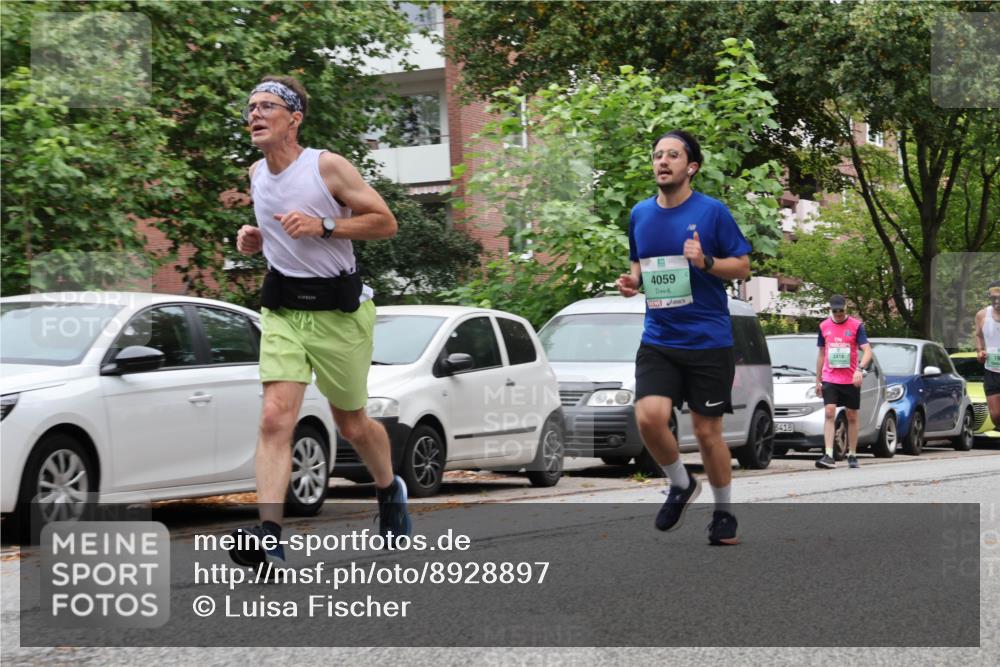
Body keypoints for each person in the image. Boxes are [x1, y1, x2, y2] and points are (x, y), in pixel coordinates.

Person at [230, 75, 410, 566]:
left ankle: (388, 487)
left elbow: (385, 222)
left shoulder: (326, 166)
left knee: (351, 424)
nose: (256, 114)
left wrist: (326, 224)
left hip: (339, 315)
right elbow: (279, 236)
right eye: (251, 107)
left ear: (294, 118)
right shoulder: (256, 175)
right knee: (274, 418)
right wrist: (254, 239)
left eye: (268, 106)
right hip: (284, 310)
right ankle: (268, 536)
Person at [616, 130, 751, 546]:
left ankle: (724, 512)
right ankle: (680, 483)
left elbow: (742, 267)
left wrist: (706, 261)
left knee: (708, 433)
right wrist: (633, 281)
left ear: (690, 167)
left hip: (708, 340)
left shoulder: (712, 213)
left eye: (672, 155)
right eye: (657, 155)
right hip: (659, 337)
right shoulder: (640, 213)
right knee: (648, 417)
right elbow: (641, 260)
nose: (662, 161)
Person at [814, 295, 873, 470]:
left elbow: (868, 351)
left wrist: (859, 369)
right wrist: (818, 379)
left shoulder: (856, 326)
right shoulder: (824, 326)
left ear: (846, 308)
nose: (839, 314)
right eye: (835, 311)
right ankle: (829, 454)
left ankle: (852, 454)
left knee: (851, 415)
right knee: (829, 412)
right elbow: (821, 354)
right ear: (830, 310)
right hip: (830, 377)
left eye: (841, 310)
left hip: (850, 378)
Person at [974, 280, 1000, 428]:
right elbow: (978, 335)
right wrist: (980, 351)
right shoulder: (982, 315)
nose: (997, 301)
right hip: (992, 370)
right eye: (993, 298)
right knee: (996, 415)